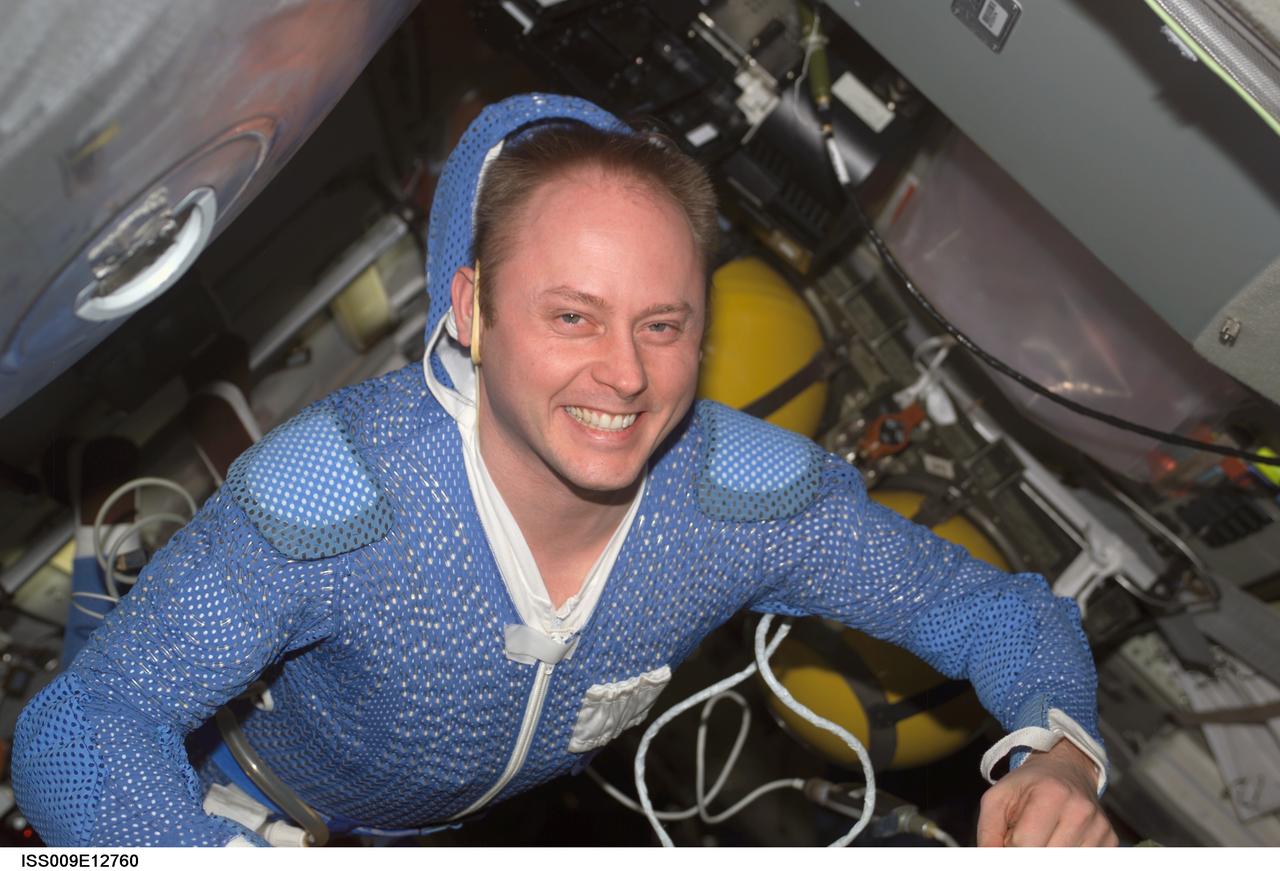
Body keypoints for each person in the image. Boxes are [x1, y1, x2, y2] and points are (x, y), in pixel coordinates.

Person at [11, 93, 1116, 848]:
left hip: (418, 832)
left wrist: (1061, 752)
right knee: (109, 617)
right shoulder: (336, 493)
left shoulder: (746, 499)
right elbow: (76, 730)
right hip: (204, 790)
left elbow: (1001, 613)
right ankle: (118, 492)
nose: (624, 375)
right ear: (472, 310)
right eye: (573, 315)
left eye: (661, 324)